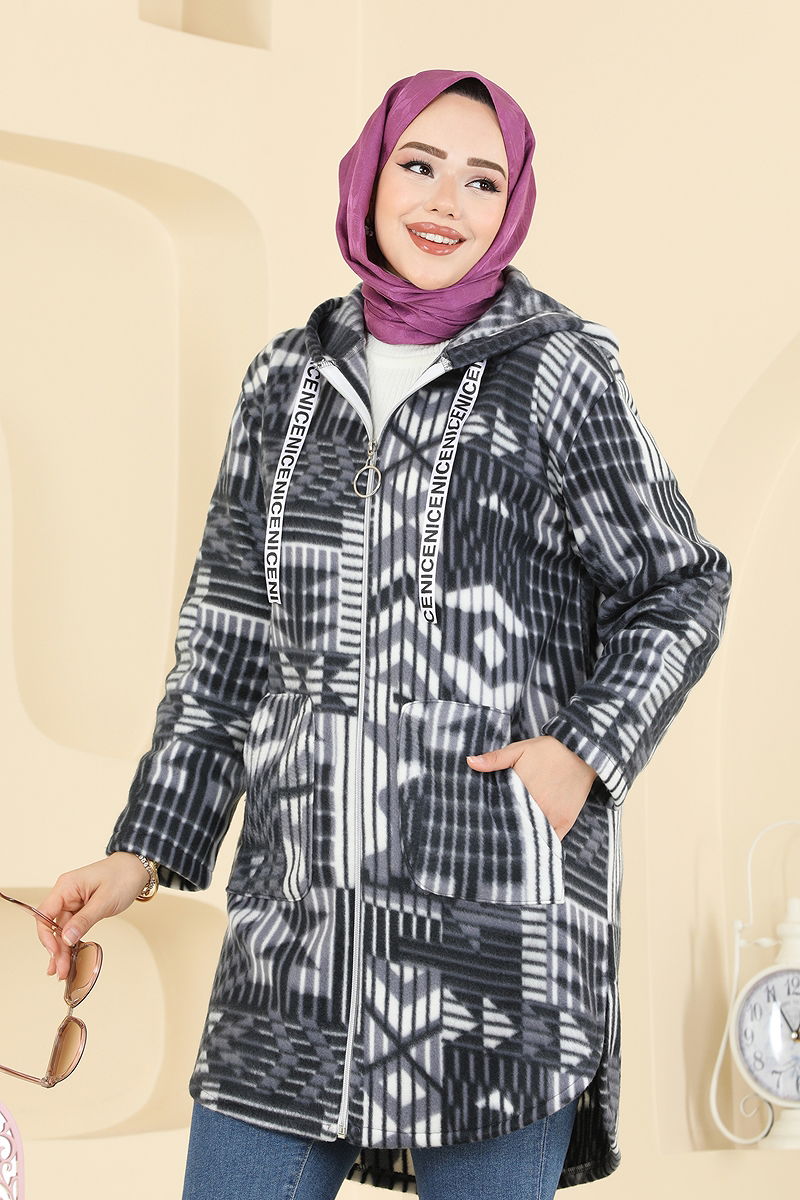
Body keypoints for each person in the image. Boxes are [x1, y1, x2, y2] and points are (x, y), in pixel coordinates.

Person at [36, 68, 732, 1199]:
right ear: (369, 176)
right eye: (420, 165)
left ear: (511, 207)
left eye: (481, 181)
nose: (445, 203)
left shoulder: (558, 375)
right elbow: (228, 637)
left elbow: (681, 585)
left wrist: (581, 753)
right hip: (295, 934)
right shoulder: (286, 379)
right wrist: (142, 850)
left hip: (494, 937)